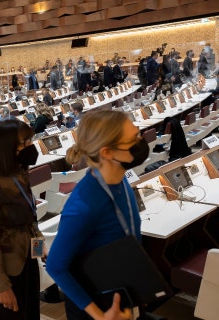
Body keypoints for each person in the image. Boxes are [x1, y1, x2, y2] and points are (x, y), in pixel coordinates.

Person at [46, 110, 148, 320]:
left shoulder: (119, 179)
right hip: (98, 306)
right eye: (133, 140)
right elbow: (56, 267)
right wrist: (99, 316)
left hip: (122, 289)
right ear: (108, 153)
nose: (140, 142)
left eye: (138, 133)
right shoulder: (83, 206)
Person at [0, 119, 44, 320]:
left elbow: (30, 218)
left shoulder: (19, 172)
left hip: (25, 259)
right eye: (25, 143)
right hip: (1, 268)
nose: (30, 146)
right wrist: (1, 287)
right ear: (7, 148)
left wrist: (39, 248)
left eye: (30, 140)